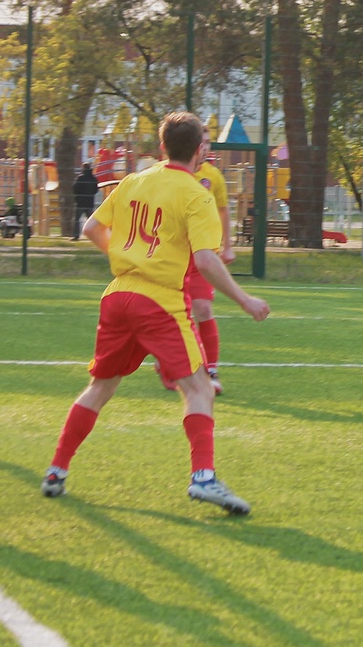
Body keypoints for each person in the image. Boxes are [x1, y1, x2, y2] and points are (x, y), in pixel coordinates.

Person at [40, 111, 270, 514]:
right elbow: (206, 261)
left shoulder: (135, 180)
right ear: (201, 150)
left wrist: (126, 257)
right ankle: (204, 478)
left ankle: (57, 470)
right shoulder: (196, 194)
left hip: (117, 295)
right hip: (159, 300)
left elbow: (91, 227)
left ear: (163, 146)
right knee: (199, 388)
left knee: (101, 387)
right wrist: (244, 299)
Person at [157, 126, 235, 395]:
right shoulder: (161, 176)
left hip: (202, 252)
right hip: (170, 255)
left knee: (202, 308)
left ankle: (210, 371)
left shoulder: (212, 177)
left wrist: (228, 246)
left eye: (208, 143)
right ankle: (167, 364)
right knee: (167, 314)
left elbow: (223, 211)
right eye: (201, 143)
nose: (205, 148)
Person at [72, 163, 98, 240]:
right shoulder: (94, 178)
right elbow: (95, 190)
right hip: (90, 202)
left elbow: (75, 189)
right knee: (91, 221)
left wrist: (77, 196)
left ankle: (76, 235)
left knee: (77, 220)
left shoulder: (80, 178)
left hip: (80, 202)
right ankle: (93, 236)